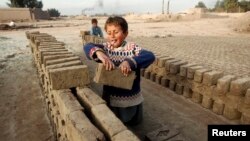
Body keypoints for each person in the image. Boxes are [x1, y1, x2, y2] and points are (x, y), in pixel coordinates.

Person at [84, 16, 155, 125]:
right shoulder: (106, 48)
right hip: (111, 96)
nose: (112, 36)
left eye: (116, 32)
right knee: (113, 122)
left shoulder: (131, 48)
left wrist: (129, 62)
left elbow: (149, 56)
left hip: (130, 96)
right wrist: (100, 53)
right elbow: (88, 46)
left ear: (125, 33)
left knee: (131, 122)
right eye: (109, 32)